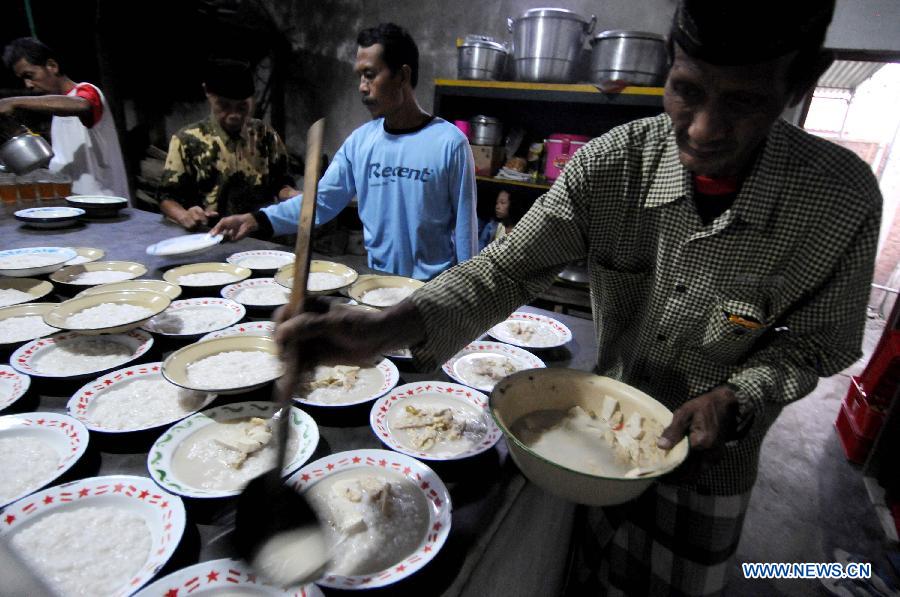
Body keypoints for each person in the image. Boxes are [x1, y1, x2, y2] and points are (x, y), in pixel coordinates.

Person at [273, 1, 882, 595]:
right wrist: (388, 326)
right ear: (670, 63)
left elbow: (817, 345)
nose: (702, 129)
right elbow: (506, 271)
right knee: (579, 573)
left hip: (712, 467)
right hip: (592, 437)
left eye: (744, 101)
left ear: (804, 79)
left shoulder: (838, 199)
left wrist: (742, 395)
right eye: (686, 90)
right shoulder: (613, 165)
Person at [212, 23, 476, 281]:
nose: (362, 86)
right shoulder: (360, 142)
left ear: (403, 76)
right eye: (359, 76)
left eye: (370, 74)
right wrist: (256, 219)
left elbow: (466, 230)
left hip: (431, 291)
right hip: (378, 287)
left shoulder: (449, 143)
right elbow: (320, 202)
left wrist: (469, 295)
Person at [159, 58, 296, 231]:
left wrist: (292, 195)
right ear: (208, 93)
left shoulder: (265, 135)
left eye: (242, 107)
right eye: (224, 105)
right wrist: (184, 215)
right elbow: (167, 196)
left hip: (260, 240)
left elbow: (281, 183)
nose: (234, 115)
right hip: (208, 237)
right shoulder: (187, 140)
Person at [0, 37, 129, 199]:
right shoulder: (58, 112)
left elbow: (82, 105)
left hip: (104, 202)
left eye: (30, 75)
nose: (28, 85)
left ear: (52, 66)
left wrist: (14, 102)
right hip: (74, 204)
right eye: (23, 78)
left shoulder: (86, 92)